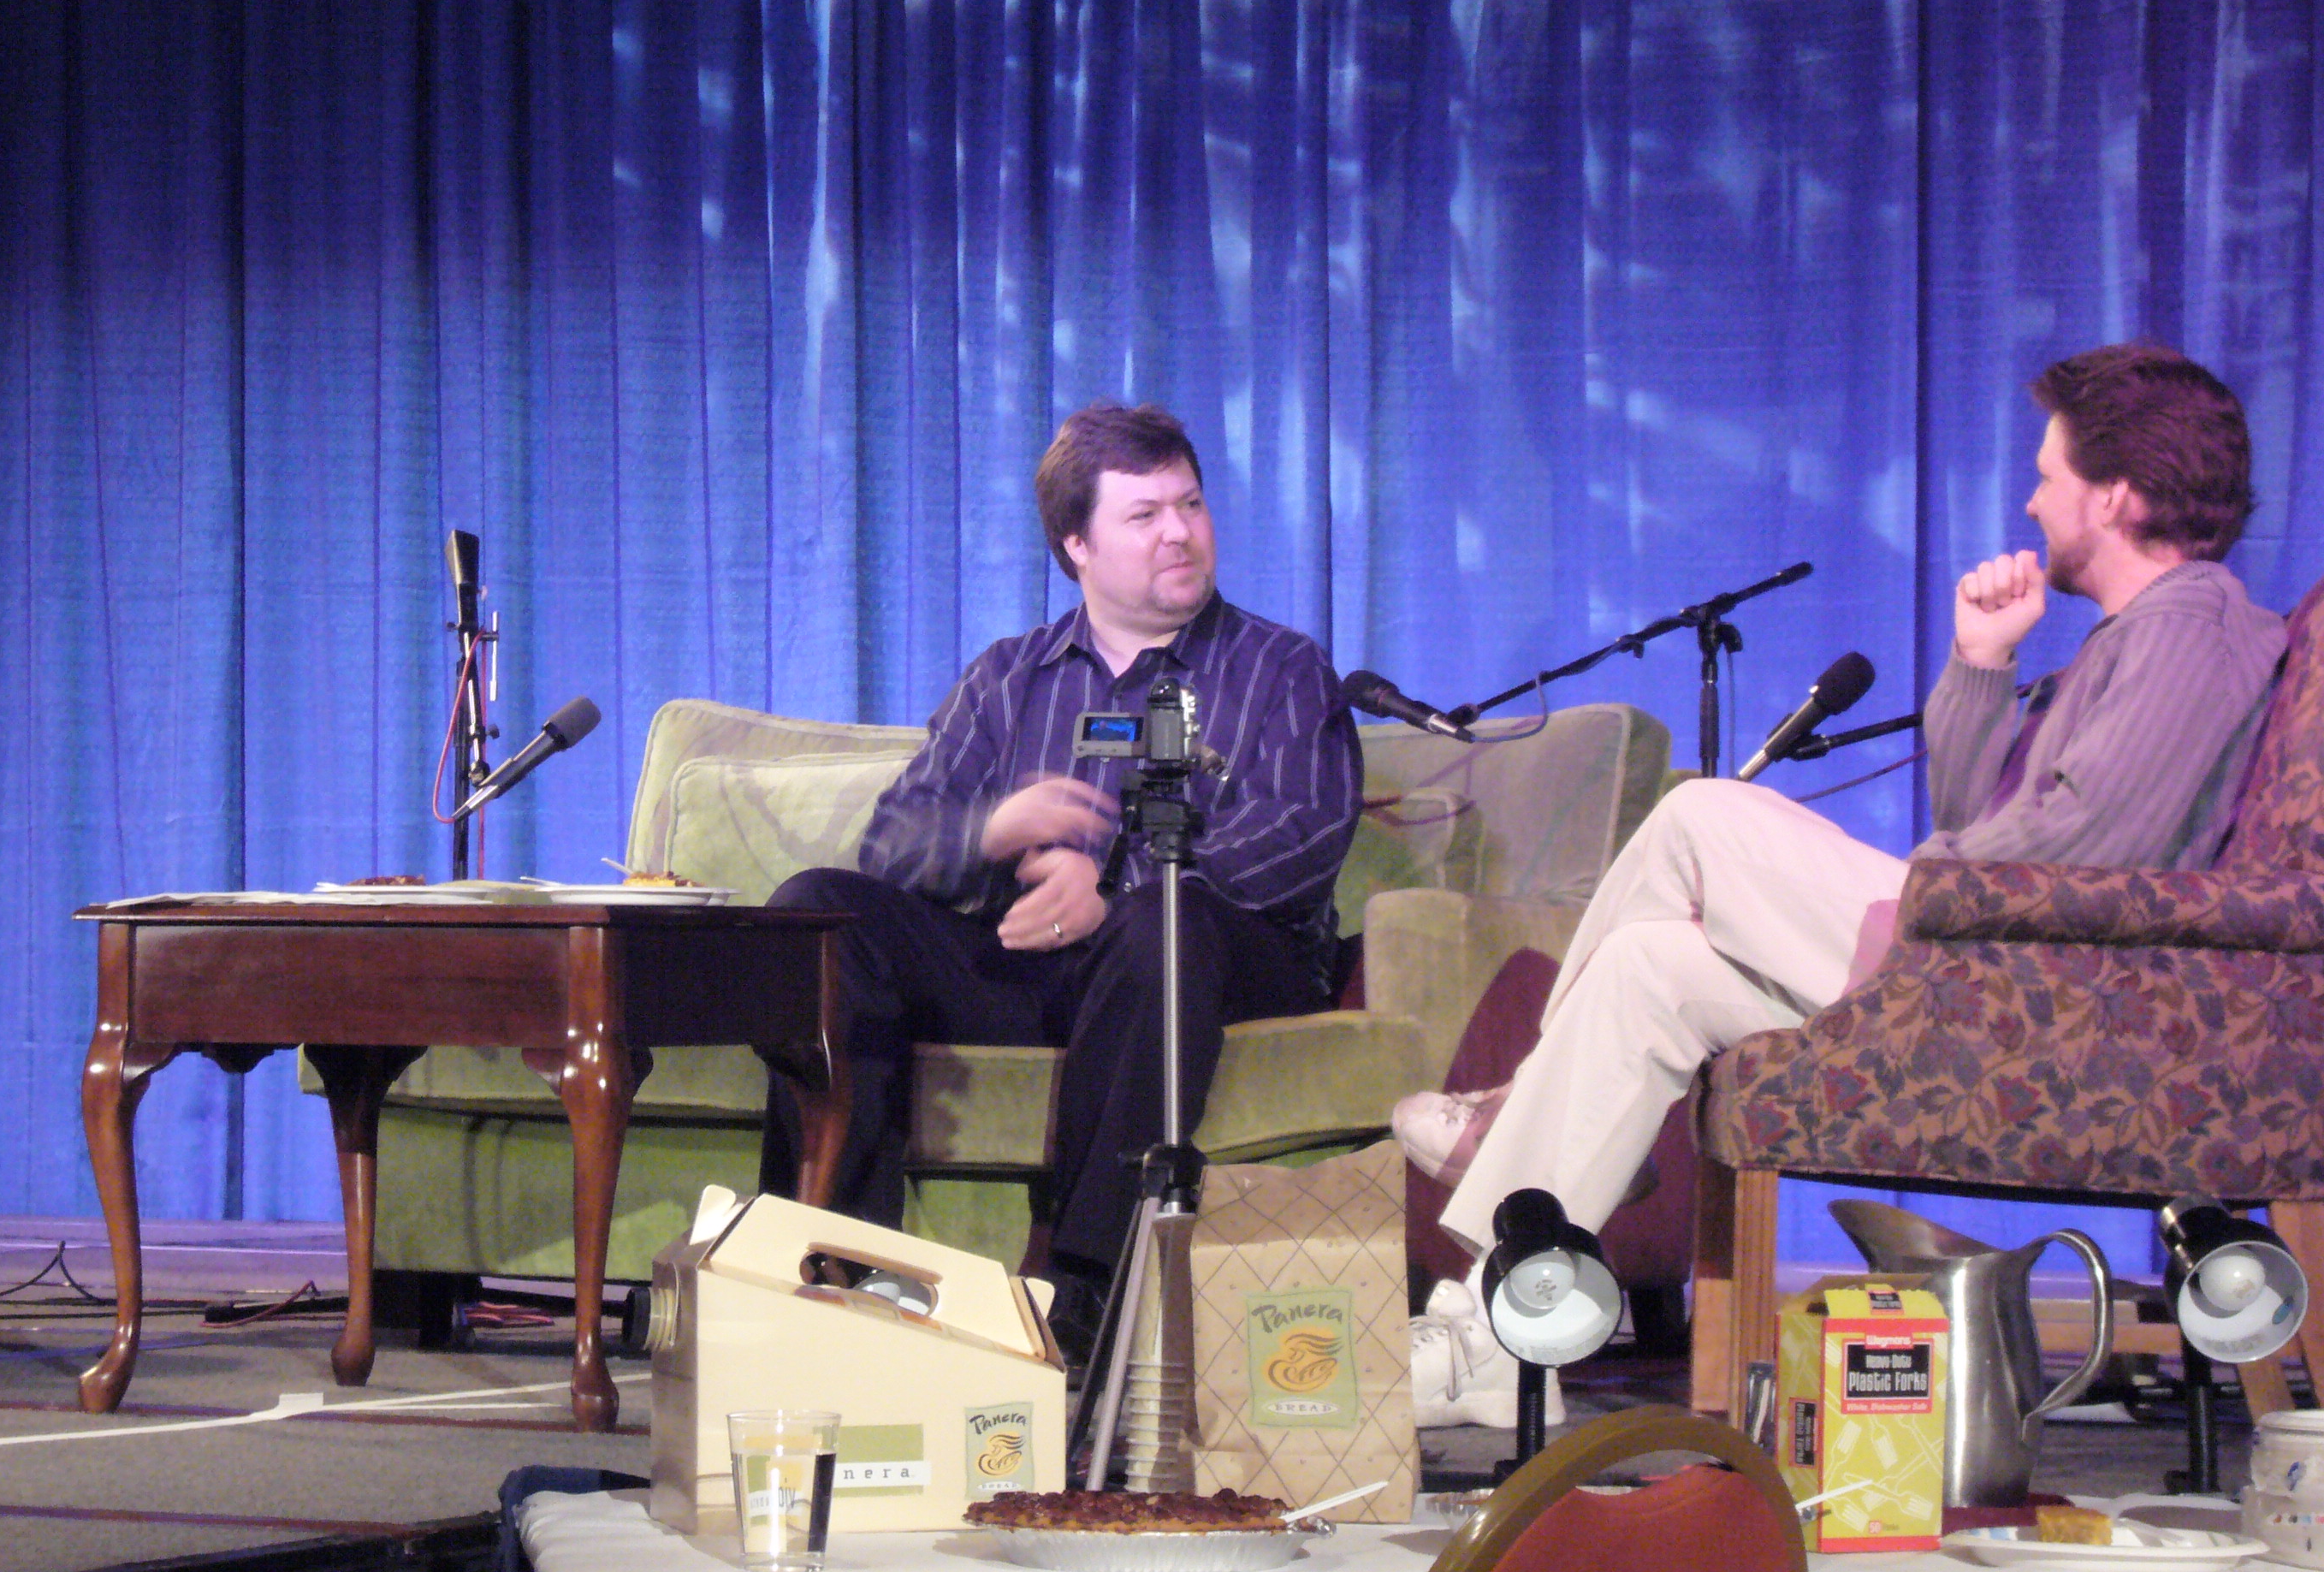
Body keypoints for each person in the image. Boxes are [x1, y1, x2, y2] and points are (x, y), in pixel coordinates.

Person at [1401, 342, 2289, 1427]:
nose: (2029, 500)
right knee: (1646, 971)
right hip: (1986, 953)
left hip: (2028, 989)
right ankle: (1491, 1341)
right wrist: (1980, 662)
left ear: (2111, 495)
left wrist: (1929, 879)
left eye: (2047, 475)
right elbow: (1980, 817)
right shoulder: (2134, 638)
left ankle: (1513, 1106)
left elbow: (2087, 856)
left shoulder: (2190, 629)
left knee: (1697, 815)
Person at [759, 402, 1362, 1358]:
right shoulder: (1012, 678)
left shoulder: (1280, 668)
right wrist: (994, 828)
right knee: (819, 913)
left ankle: (1084, 1293)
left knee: (1162, 921)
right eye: (1144, 514)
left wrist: (1111, 885)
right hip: (1033, 963)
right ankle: (841, 1264)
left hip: (1215, 964)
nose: (1179, 532)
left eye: (1191, 505)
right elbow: (893, 843)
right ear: (1076, 545)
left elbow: (1298, 841)